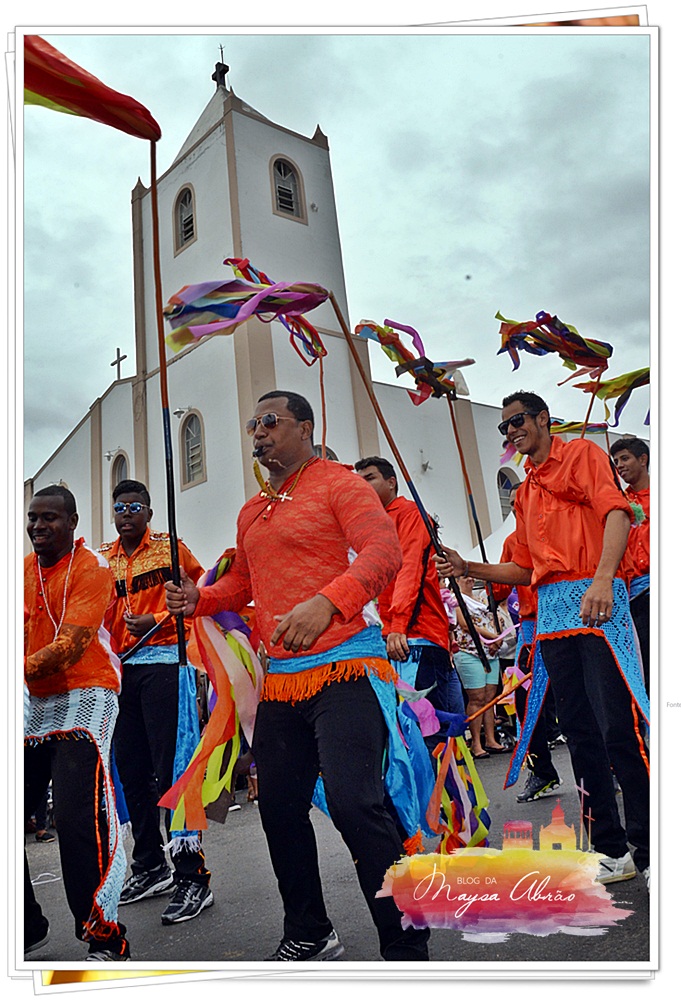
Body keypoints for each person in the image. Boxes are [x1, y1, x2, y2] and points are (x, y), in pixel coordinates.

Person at [165, 391, 430, 962]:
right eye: (252, 425)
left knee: (355, 801)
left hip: (346, 668)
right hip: (282, 680)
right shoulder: (251, 511)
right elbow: (246, 587)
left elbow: (384, 552)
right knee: (279, 806)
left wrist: (329, 602)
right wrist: (200, 598)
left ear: (304, 428)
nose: (257, 433)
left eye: (270, 422)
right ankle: (309, 930)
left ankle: (405, 940)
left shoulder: (339, 483)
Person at [435, 391, 650, 887]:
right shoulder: (526, 492)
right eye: (504, 426)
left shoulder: (581, 454)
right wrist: (470, 567)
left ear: (542, 420)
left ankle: (649, 843)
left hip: (598, 604)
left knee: (619, 726)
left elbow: (616, 513)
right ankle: (612, 849)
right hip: (553, 615)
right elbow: (525, 567)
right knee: (578, 733)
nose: (510, 432)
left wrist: (601, 579)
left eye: (516, 422)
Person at [99, 480, 212, 925]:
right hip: (122, 670)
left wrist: (158, 618)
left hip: (168, 661)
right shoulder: (103, 560)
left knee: (173, 769)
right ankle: (150, 864)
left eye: (134, 507)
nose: (126, 514)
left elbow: (199, 599)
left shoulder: (172, 551)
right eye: (119, 507)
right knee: (130, 769)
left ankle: (192, 876)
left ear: (148, 511)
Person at [24, 485, 130, 960]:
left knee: (75, 818)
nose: (38, 527)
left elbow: (69, 646)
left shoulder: (93, 569)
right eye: (32, 518)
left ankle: (104, 935)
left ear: (72, 522)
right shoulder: (21, 573)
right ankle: (24, 924)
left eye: (49, 518)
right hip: (29, 700)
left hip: (85, 699)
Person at [354, 456, 465, 757]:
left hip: (413, 637)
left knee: (422, 728)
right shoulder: (368, 524)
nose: (362, 485)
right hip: (388, 638)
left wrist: (398, 626)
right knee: (400, 731)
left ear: (391, 482)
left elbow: (410, 568)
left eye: (370, 478)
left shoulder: (409, 513)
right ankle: (422, 801)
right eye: (358, 480)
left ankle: (432, 802)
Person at [493, 484, 561, 802]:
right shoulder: (511, 541)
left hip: (562, 620)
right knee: (524, 704)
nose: (517, 508)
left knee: (579, 699)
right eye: (512, 504)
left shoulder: (554, 528)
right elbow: (499, 589)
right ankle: (542, 771)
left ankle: (612, 767)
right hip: (531, 630)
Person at [450, 575, 507, 759]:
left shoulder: (481, 600)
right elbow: (465, 624)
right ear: (457, 580)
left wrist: (496, 638)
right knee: (476, 698)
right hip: (469, 652)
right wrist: (491, 636)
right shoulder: (455, 599)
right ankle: (476, 743)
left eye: (471, 577)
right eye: (465, 577)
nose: (470, 580)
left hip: (490, 652)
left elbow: (493, 620)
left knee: (490, 698)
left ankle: (491, 739)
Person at [610, 436, 650, 694]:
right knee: (644, 662)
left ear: (643, 459)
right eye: (616, 461)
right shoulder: (617, 503)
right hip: (630, 595)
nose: (620, 465)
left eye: (625, 458)